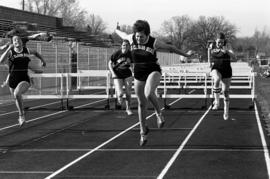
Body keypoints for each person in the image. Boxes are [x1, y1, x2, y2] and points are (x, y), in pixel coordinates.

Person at [115, 20, 194, 146]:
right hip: (139, 73)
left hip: (153, 70)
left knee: (148, 92)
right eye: (137, 36)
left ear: (147, 35)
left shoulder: (154, 42)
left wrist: (186, 55)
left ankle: (159, 113)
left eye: (141, 36)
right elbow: (122, 34)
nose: (139, 38)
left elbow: (171, 48)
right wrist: (116, 29)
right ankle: (143, 132)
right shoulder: (131, 38)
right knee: (141, 104)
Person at [0, 35, 45, 127]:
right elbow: (0, 61)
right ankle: (21, 115)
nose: (17, 41)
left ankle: (21, 116)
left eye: (18, 39)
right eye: (14, 40)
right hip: (12, 79)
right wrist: (8, 48)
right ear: (13, 42)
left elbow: (36, 52)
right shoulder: (10, 52)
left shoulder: (26, 50)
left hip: (24, 78)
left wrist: (43, 60)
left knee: (17, 94)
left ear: (21, 41)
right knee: (16, 97)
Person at [208, 32, 236, 120]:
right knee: (216, 79)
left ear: (224, 41)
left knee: (225, 92)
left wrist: (226, 51)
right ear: (216, 41)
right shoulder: (212, 45)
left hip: (226, 70)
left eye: (222, 42)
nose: (220, 44)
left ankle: (226, 111)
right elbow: (209, 52)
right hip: (216, 68)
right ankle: (216, 102)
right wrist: (209, 62)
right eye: (219, 42)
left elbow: (234, 57)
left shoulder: (227, 45)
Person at [108, 39, 134, 115]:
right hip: (117, 74)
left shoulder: (131, 54)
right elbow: (109, 63)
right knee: (120, 94)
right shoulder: (117, 54)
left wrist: (133, 71)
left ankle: (128, 108)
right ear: (121, 46)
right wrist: (112, 73)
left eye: (127, 45)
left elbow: (132, 65)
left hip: (127, 74)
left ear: (129, 46)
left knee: (128, 93)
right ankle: (119, 98)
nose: (125, 46)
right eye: (123, 45)